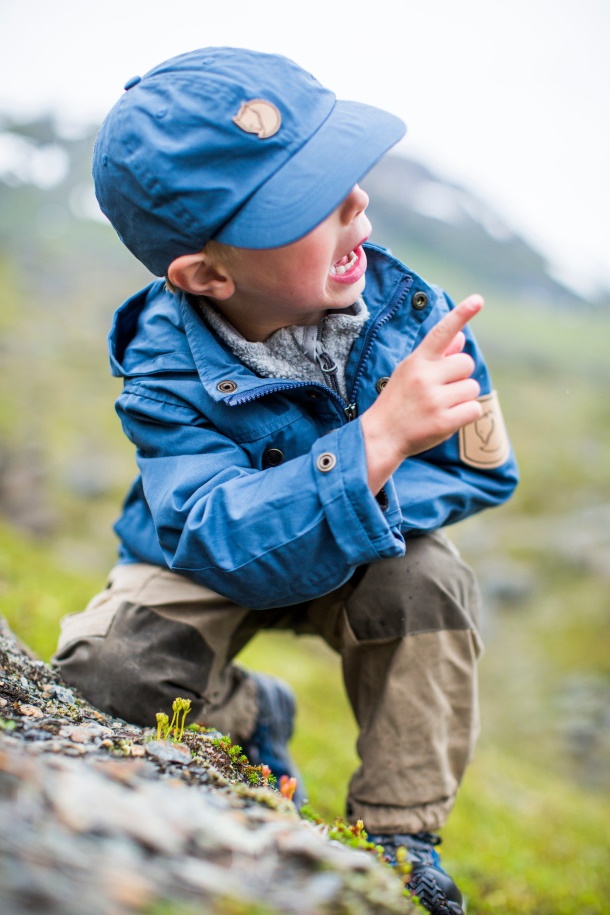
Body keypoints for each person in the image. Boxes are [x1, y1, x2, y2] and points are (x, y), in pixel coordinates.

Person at [53, 47, 518, 914]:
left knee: (429, 581)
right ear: (208, 275)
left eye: (348, 172)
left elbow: (484, 474)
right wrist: (370, 444)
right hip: (207, 558)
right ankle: (248, 716)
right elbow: (209, 527)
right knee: (104, 673)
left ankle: (401, 832)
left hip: (366, 546)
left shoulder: (412, 313)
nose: (356, 203)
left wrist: (369, 491)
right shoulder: (162, 369)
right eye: (307, 203)